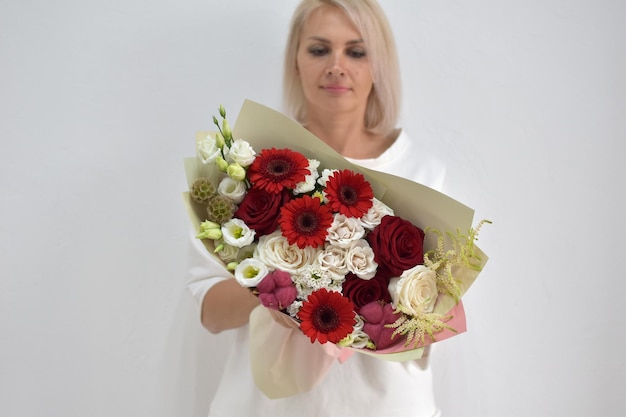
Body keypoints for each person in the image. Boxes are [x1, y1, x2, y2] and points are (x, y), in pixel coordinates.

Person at [186, 0, 446, 416]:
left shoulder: (422, 173)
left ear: (378, 64)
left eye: (356, 51)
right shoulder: (245, 169)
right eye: (319, 49)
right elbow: (210, 312)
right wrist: (278, 286)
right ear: (295, 61)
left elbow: (428, 329)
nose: (337, 66)